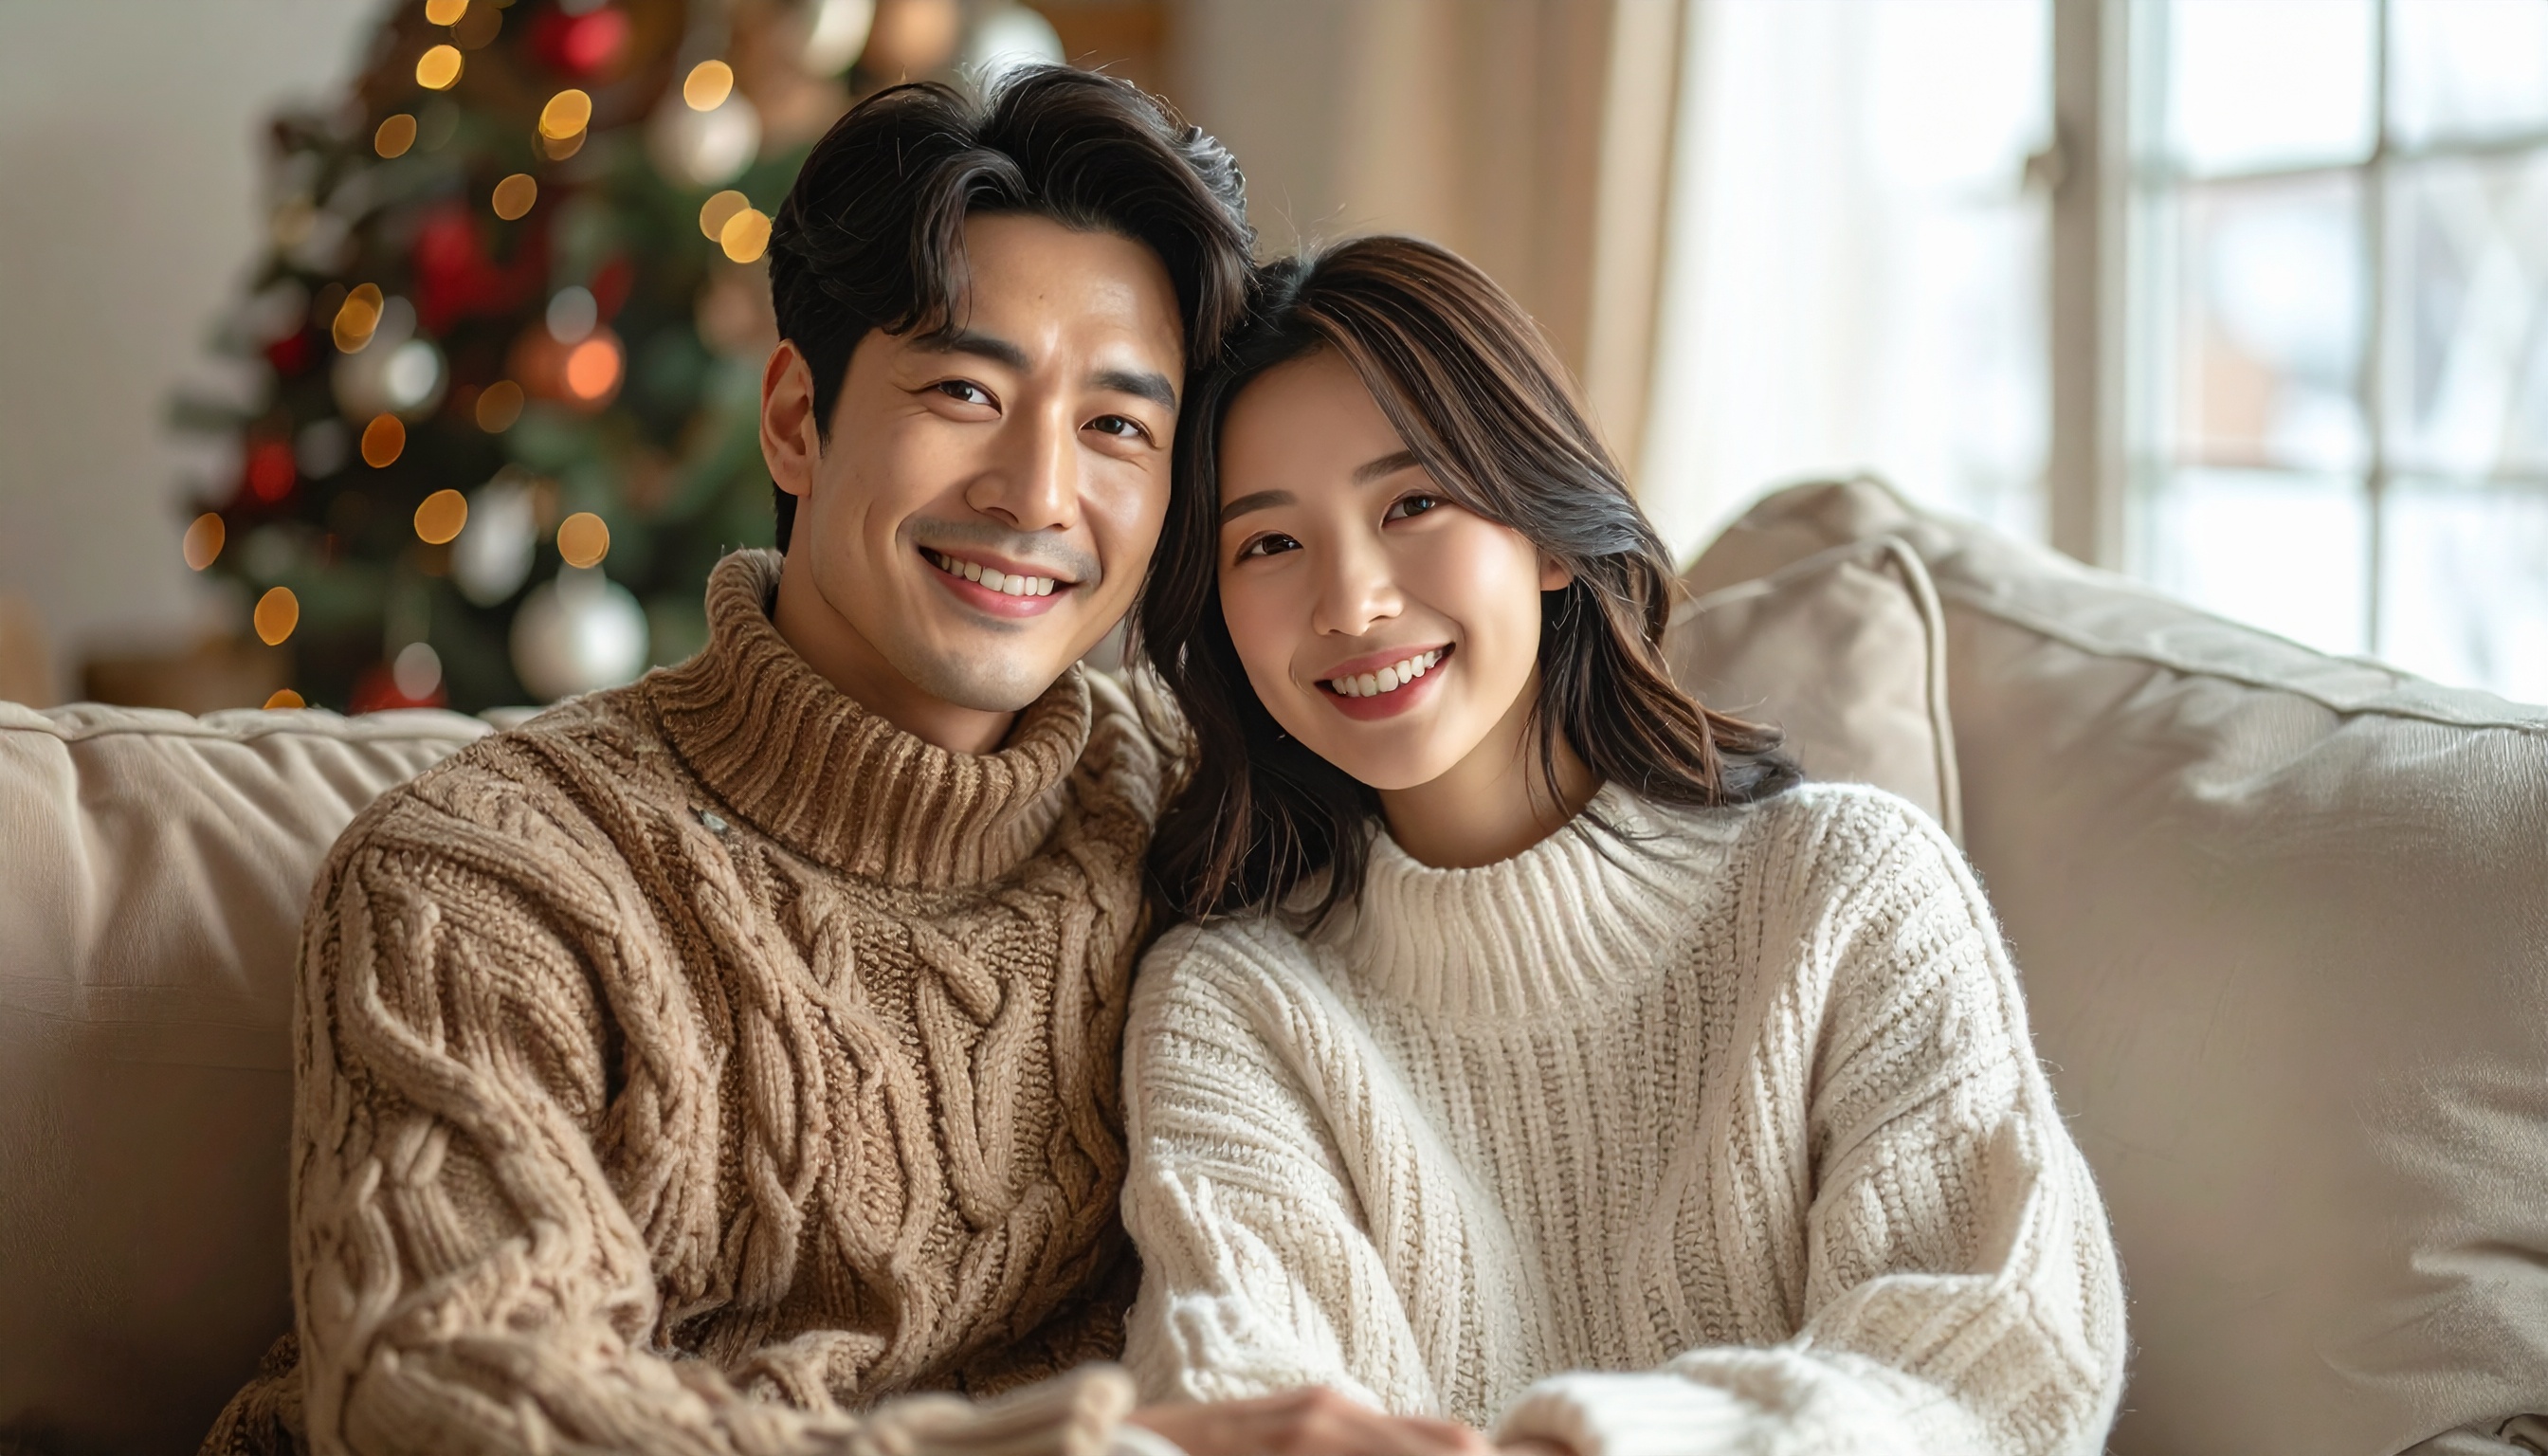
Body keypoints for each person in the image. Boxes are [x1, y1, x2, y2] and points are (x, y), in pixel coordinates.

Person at [205, 67, 1257, 1456]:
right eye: (961, 388)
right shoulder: (488, 879)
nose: (1039, 494)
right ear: (794, 420)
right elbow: (449, 1389)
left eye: (1118, 426)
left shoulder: (1195, 808)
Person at [1119, 236, 2129, 1456]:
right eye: (1267, 544)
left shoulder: (1849, 890)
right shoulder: (1233, 1002)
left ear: (1548, 534)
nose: (1351, 599)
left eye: (1413, 503)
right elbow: (1239, 1386)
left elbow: (1992, 1361)